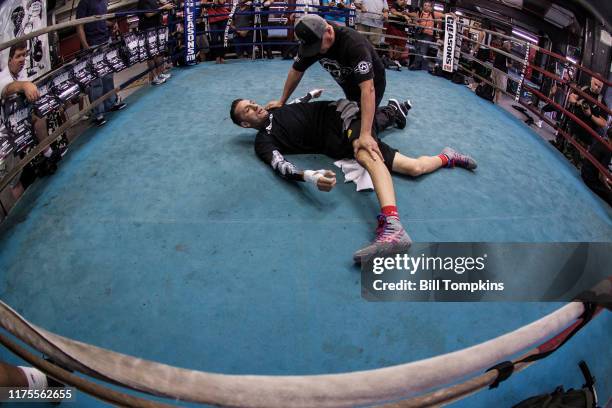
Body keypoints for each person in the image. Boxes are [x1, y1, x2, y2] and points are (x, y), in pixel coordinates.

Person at [230, 92, 477, 261]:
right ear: (244, 124)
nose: (255, 106)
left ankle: (393, 227)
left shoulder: (277, 108)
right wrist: (309, 176)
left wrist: (308, 95)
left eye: (252, 102)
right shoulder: (263, 141)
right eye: (248, 110)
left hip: (340, 116)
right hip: (339, 144)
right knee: (413, 168)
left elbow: (298, 103)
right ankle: (448, 156)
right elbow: (280, 165)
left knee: (366, 154)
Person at [266, 14, 397, 165]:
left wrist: (366, 134)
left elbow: (368, 89)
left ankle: (392, 113)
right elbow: (296, 71)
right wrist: (282, 101)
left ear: (328, 31)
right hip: (348, 83)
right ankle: (388, 113)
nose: (316, 52)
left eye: (317, 46)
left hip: (372, 83)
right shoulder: (312, 41)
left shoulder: (353, 44)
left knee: (363, 127)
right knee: (356, 119)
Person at [76, 0, 127, 127]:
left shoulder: (103, 1)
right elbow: (79, 26)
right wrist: (86, 46)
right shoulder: (84, 3)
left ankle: (111, 103)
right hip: (92, 44)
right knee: (96, 81)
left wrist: (111, 24)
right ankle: (98, 113)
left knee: (108, 75)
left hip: (106, 40)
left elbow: (100, 20)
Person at [138, 0, 174, 85]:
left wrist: (163, 5)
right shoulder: (143, 1)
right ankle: (154, 78)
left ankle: (160, 74)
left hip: (157, 27)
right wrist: (163, 7)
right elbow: (148, 14)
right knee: (150, 54)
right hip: (148, 29)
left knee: (159, 52)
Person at [567, 76, 608, 147]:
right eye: (595, 84)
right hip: (572, 128)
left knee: (575, 156)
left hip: (585, 138)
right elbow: (571, 97)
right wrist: (577, 103)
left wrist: (590, 115)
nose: (597, 88)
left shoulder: (601, 102)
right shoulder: (583, 89)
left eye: (599, 87)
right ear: (591, 80)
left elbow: (604, 123)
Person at [406, 1, 443, 71]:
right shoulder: (419, 13)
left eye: (428, 5)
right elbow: (415, 21)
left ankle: (415, 65)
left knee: (423, 50)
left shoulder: (434, 13)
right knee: (417, 49)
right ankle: (419, 65)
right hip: (419, 33)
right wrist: (416, 23)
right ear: (423, 6)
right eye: (425, 5)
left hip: (428, 34)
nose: (426, 7)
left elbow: (444, 15)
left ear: (431, 7)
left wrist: (451, 14)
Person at [385, 0, 410, 65]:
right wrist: (403, 15)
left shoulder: (409, 7)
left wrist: (407, 14)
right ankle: (391, 60)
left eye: (405, 0)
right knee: (391, 44)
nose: (403, 1)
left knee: (402, 46)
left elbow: (415, 15)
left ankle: (394, 59)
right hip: (393, 26)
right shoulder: (395, 4)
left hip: (403, 29)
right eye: (401, 0)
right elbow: (393, 11)